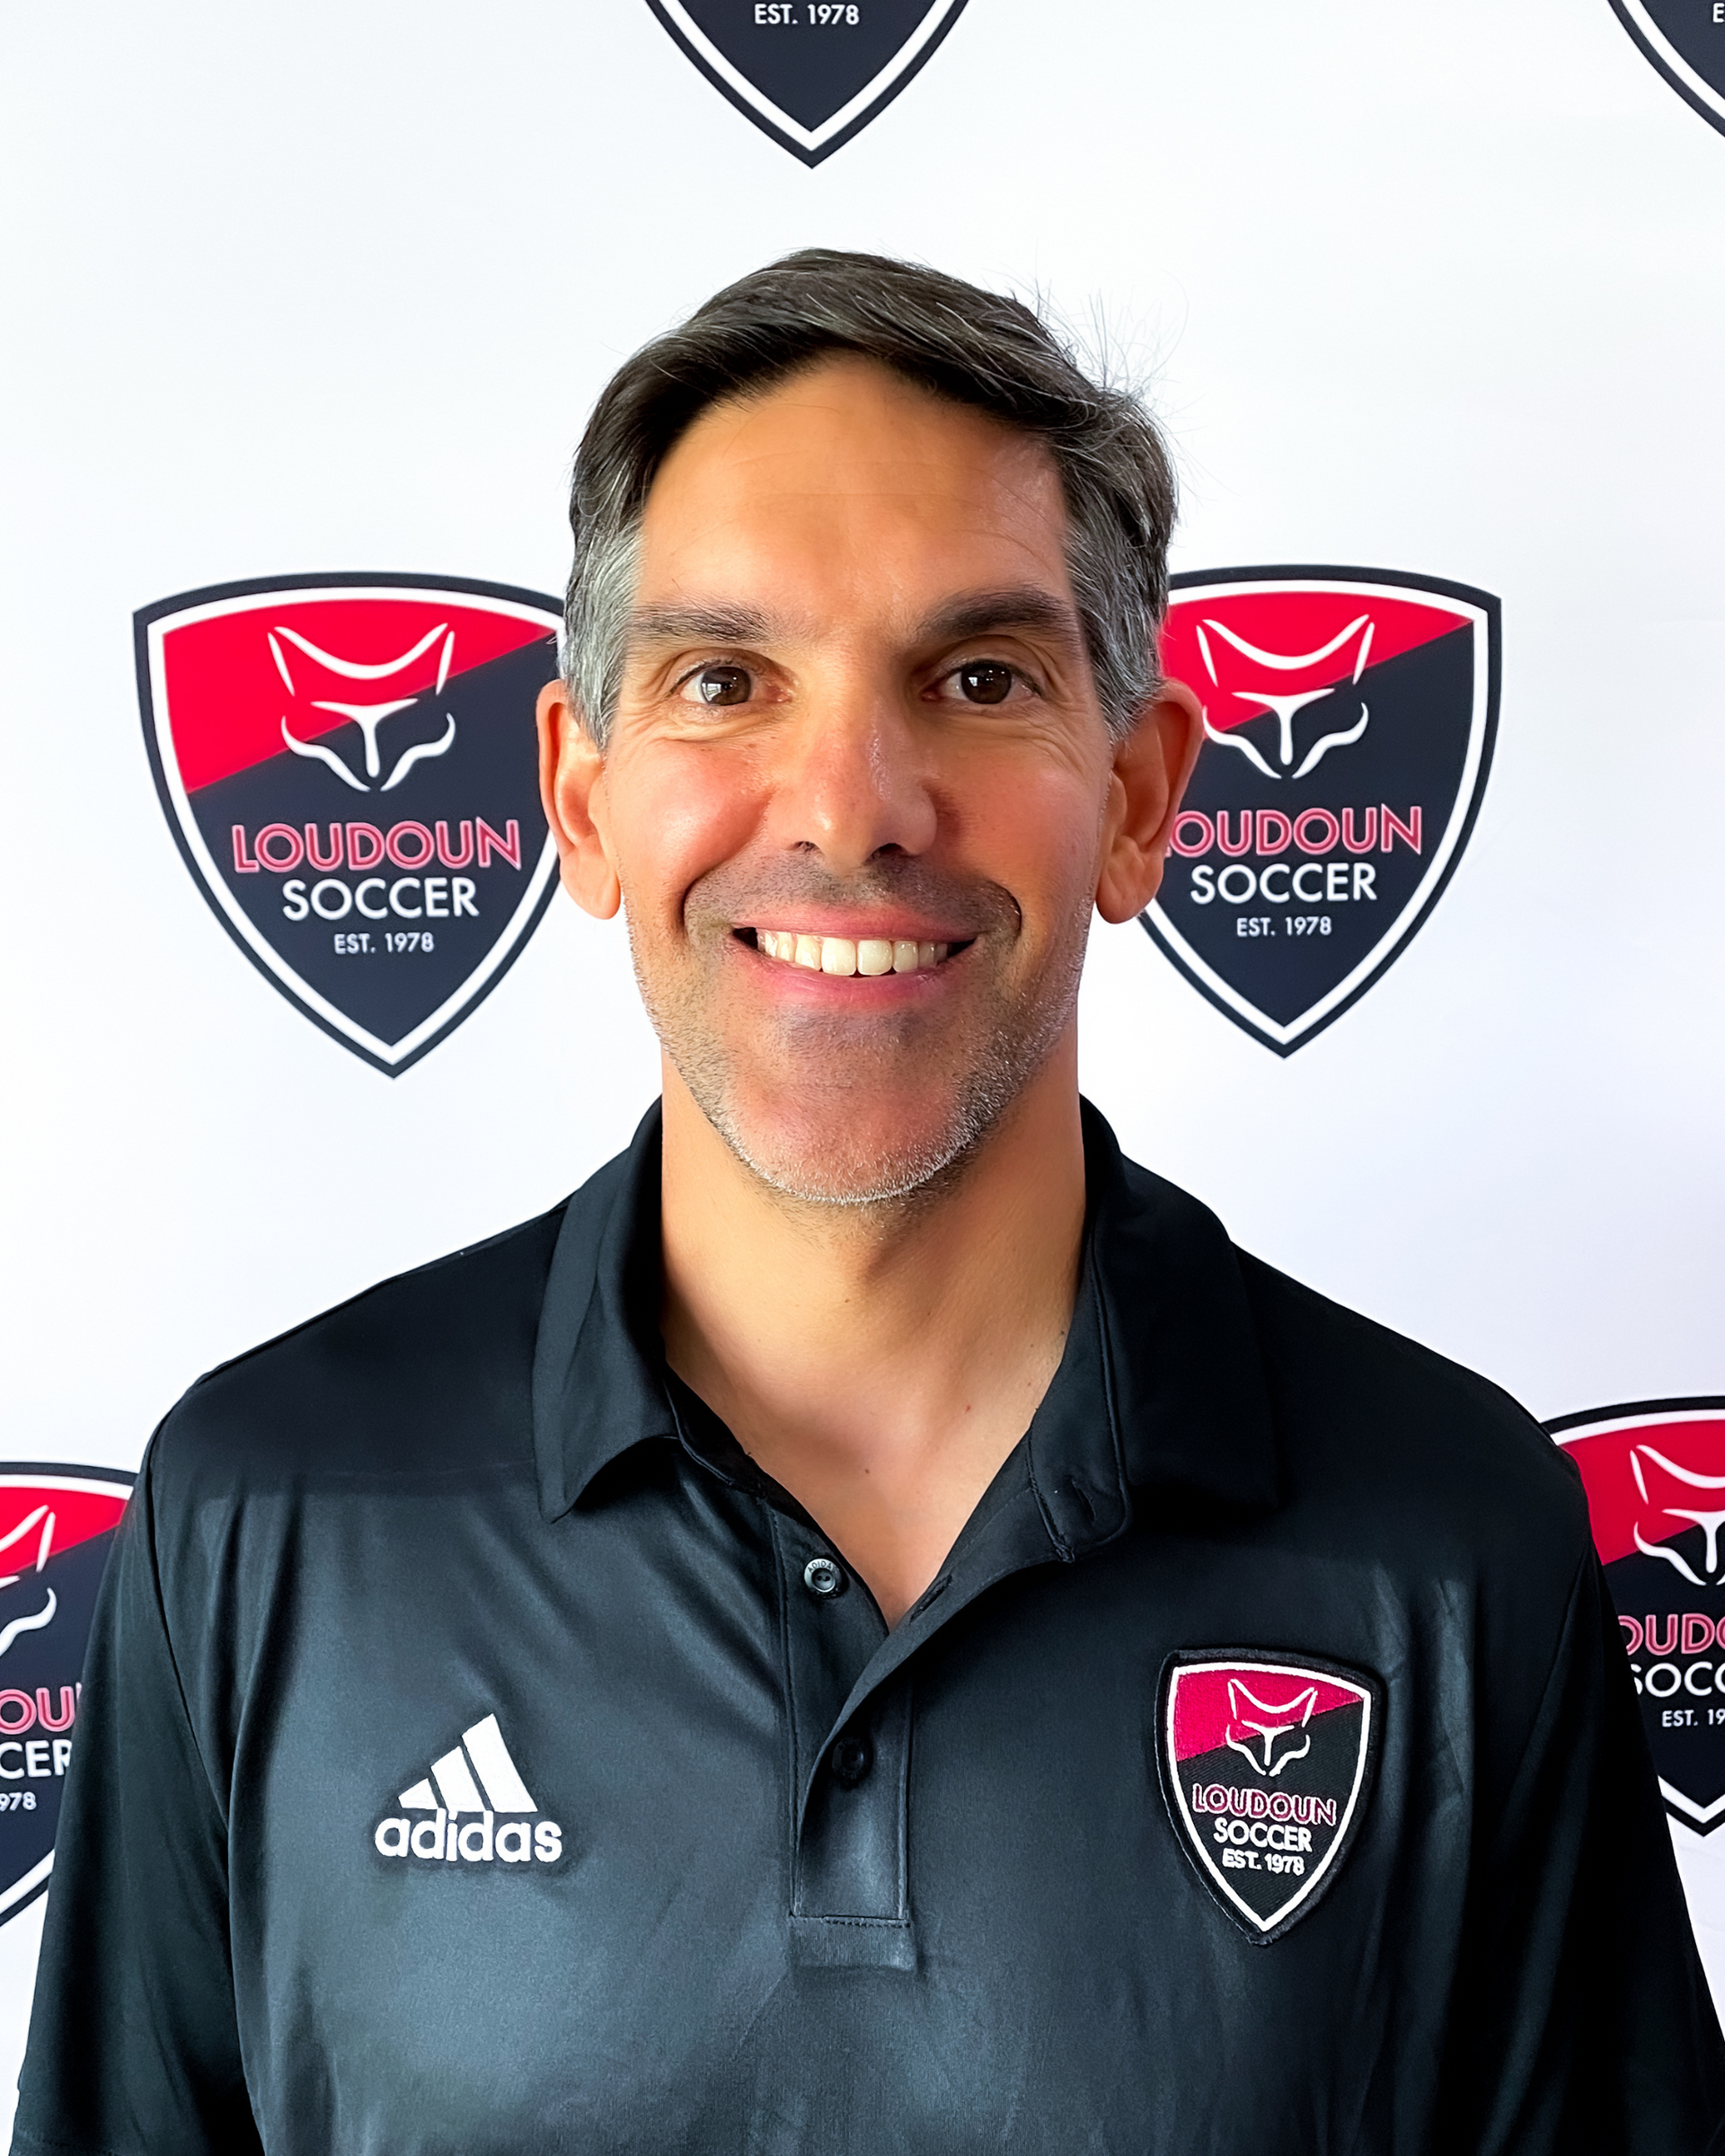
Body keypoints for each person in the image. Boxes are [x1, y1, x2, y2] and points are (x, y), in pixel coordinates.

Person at [13, 251, 1724, 2156]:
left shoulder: (1448, 1542)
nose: (851, 807)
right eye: (724, 681)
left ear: (1141, 798)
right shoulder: (271, 1512)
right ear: (579, 798)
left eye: (977, 679)